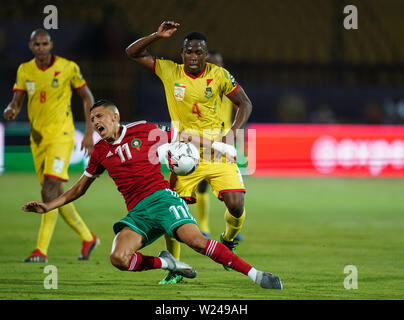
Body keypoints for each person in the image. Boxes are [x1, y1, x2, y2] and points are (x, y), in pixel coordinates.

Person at [21, 100, 282, 290]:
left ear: (115, 117)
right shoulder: (100, 153)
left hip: (163, 198)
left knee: (197, 243)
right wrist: (48, 206)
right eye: (91, 120)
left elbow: (186, 135)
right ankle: (167, 263)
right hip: (138, 214)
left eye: (99, 116)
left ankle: (256, 275)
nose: (95, 122)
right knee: (118, 258)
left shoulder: (143, 130)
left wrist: (218, 146)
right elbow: (80, 187)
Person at [126, 21, 253, 283]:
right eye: (189, 52)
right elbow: (132, 53)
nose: (193, 57)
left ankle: (228, 241)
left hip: (216, 151)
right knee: (174, 210)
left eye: (198, 52)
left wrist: (232, 133)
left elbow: (244, 103)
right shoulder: (169, 71)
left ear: (205, 54)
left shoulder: (218, 75)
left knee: (236, 204)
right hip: (183, 153)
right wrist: (156, 36)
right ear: (182, 53)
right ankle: (175, 268)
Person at [3, 29, 99, 262]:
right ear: (31, 46)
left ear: (51, 44)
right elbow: (17, 101)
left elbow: (88, 97)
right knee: (54, 194)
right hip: (37, 139)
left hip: (62, 135)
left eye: (45, 43)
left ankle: (41, 251)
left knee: (47, 190)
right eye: (37, 44)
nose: (41, 47)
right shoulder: (25, 70)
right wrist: (11, 110)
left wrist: (89, 132)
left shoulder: (68, 67)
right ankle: (88, 238)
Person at [195, 50, 242, 241]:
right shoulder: (201, 87)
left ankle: (232, 226)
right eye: (211, 63)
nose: (215, 67)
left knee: (231, 187)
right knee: (203, 185)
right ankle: (203, 226)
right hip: (205, 139)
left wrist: (234, 132)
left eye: (218, 64)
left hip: (226, 140)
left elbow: (241, 107)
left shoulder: (228, 87)